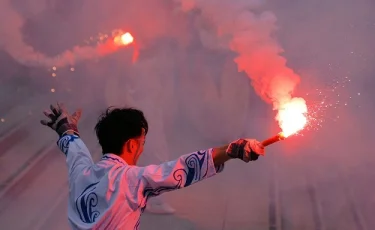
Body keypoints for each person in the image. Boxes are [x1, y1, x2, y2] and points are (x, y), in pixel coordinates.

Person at [40, 103, 265, 229]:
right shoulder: (132, 180)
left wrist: (65, 127)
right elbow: (184, 167)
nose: (142, 149)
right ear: (130, 144)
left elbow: (73, 146)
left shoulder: (82, 172)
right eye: (142, 142)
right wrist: (233, 149)